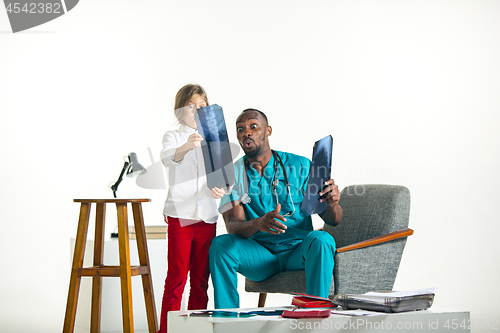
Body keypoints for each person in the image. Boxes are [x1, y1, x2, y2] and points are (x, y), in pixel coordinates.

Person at [209, 108, 343, 309]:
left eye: (253, 126)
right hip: (260, 257)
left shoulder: (301, 166)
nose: (246, 132)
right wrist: (258, 223)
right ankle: (227, 321)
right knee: (221, 245)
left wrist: (332, 204)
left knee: (323, 239)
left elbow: (334, 219)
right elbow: (233, 225)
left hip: (298, 252)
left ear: (268, 131)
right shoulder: (232, 174)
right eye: (240, 129)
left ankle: (316, 314)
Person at [158, 84, 225, 332]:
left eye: (202, 106)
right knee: (176, 278)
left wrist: (221, 190)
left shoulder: (215, 139)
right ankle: (167, 329)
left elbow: (224, 179)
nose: (197, 110)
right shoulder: (174, 136)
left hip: (207, 217)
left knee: (200, 281)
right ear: (180, 111)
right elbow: (167, 158)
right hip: (181, 217)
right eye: (191, 106)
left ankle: (195, 329)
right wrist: (187, 145)